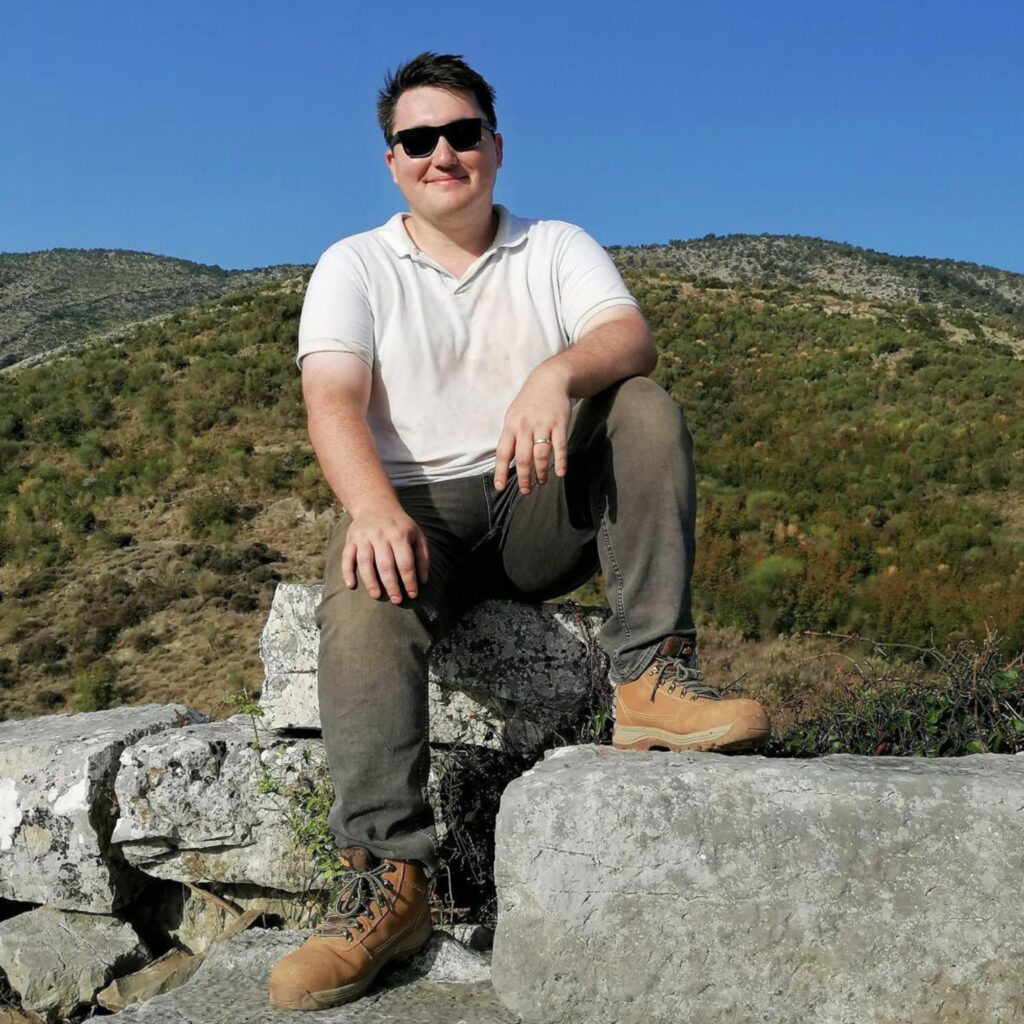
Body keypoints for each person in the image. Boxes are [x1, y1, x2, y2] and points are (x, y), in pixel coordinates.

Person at [268, 52, 770, 1011]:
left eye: (462, 133)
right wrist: (371, 509)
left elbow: (628, 336)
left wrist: (554, 377)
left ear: (494, 147)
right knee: (364, 598)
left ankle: (652, 679)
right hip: (416, 510)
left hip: (535, 502)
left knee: (642, 405)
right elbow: (330, 397)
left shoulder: (555, 244)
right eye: (419, 140)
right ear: (393, 161)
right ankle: (387, 878)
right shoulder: (354, 265)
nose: (442, 153)